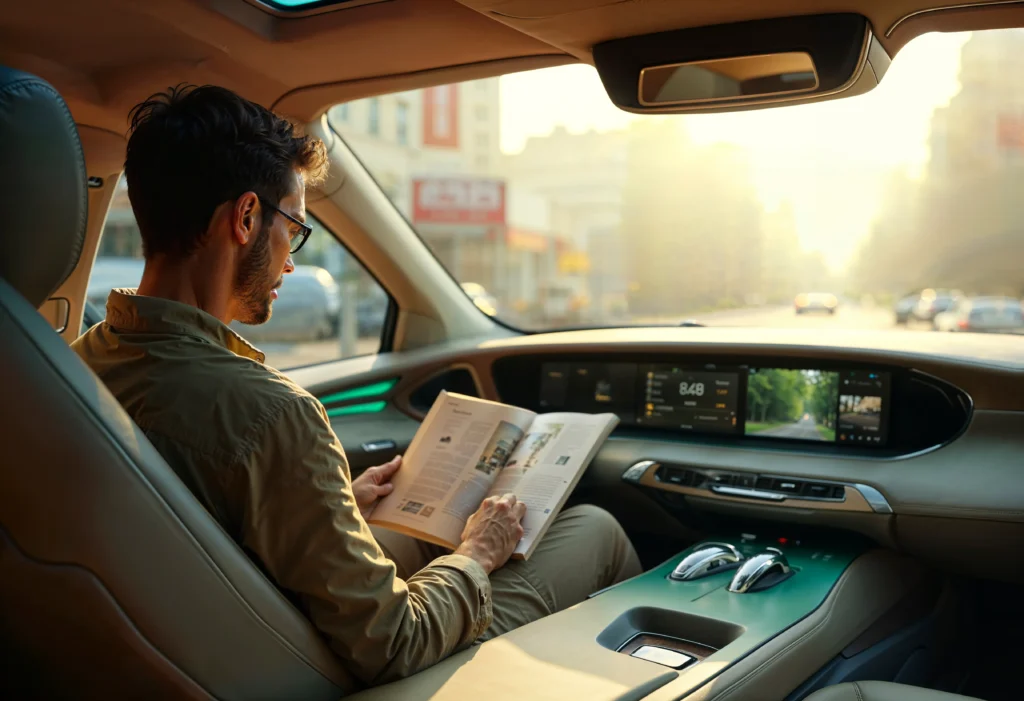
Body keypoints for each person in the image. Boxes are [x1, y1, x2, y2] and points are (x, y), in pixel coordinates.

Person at [73, 85, 641, 691]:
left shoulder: (77, 365)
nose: (290, 260)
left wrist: (332, 502)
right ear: (244, 219)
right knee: (595, 529)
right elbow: (394, 643)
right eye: (293, 225)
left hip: (198, 640)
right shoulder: (272, 415)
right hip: (327, 666)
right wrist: (477, 553)